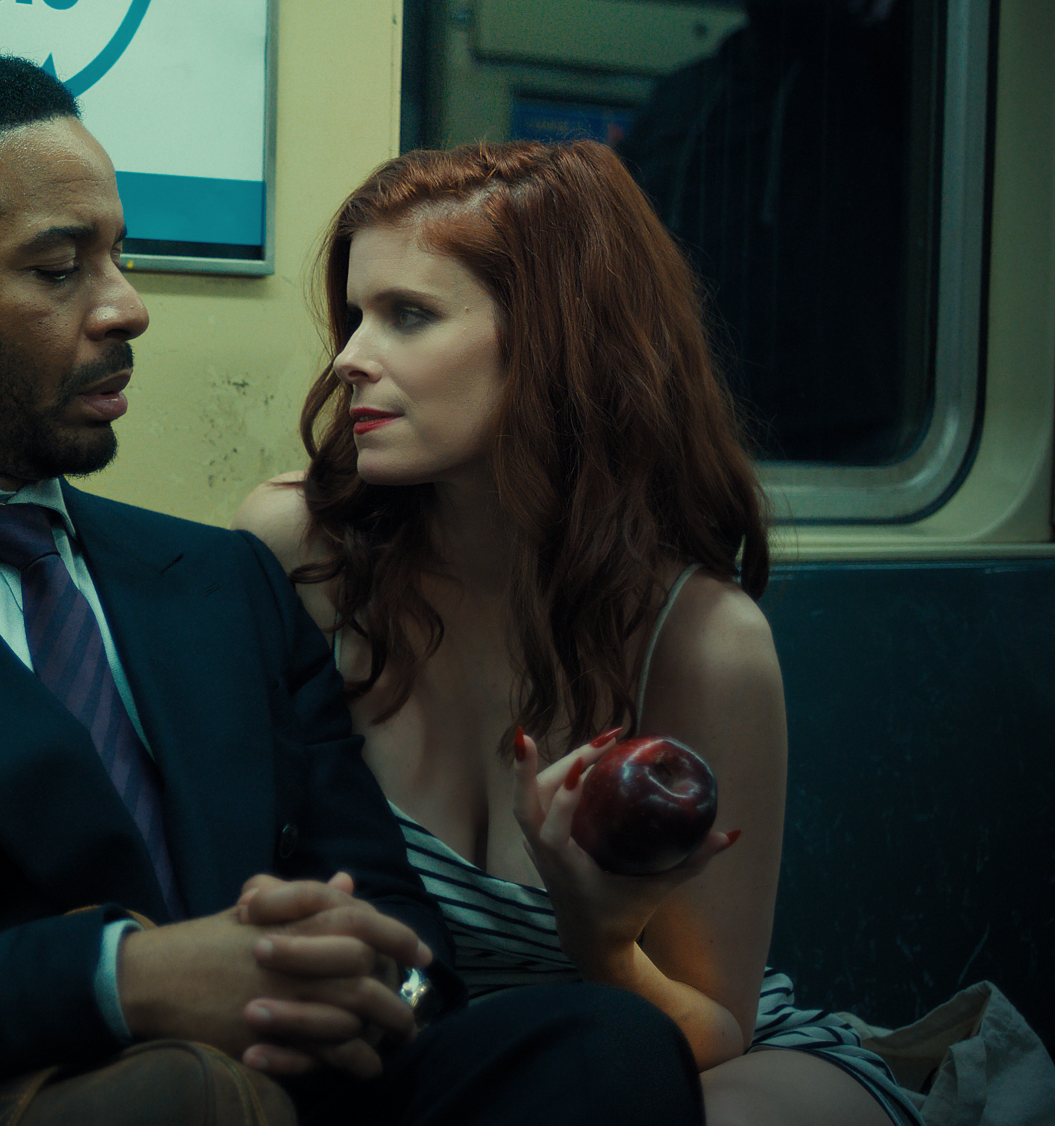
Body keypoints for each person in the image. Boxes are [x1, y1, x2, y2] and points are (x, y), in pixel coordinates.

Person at [0, 55, 706, 1126]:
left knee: (600, 1043)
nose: (126, 307)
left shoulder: (219, 580)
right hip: (21, 1089)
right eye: (59, 270)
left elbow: (394, 918)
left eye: (119, 257)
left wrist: (365, 980)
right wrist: (120, 979)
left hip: (301, 1075)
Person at [233, 140, 922, 1126]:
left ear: (556, 341)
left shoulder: (699, 639)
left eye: (408, 315)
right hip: (427, 1056)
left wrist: (600, 936)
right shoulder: (299, 549)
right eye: (355, 316)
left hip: (666, 1054)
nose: (348, 358)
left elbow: (708, 1027)